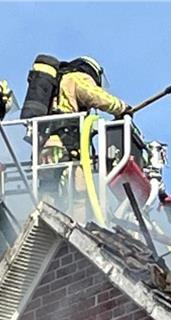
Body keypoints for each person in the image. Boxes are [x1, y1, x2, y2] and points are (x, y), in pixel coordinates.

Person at [39, 56, 130, 220]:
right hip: (68, 144)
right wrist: (122, 108)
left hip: (47, 145)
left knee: (48, 188)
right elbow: (95, 95)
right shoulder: (76, 77)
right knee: (79, 191)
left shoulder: (58, 83)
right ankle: (78, 226)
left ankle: (44, 221)